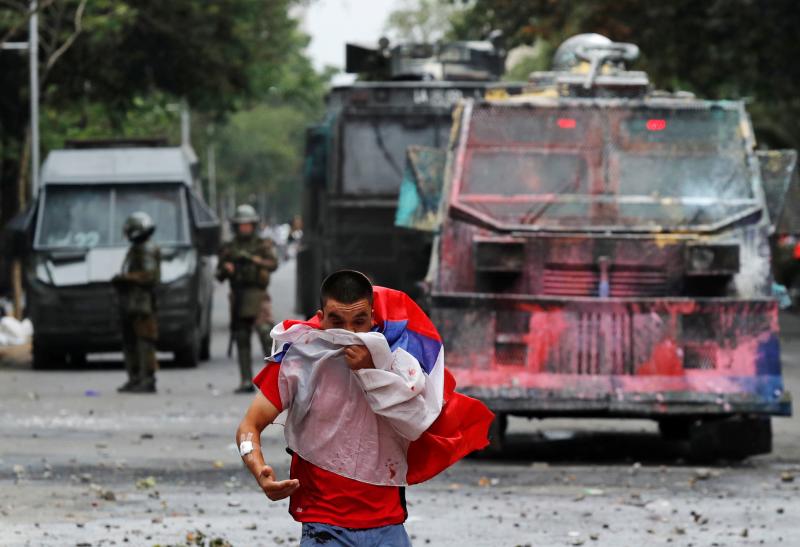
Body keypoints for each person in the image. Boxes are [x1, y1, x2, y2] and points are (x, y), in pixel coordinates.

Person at [236, 270, 494, 546]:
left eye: (358, 322)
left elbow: (418, 421)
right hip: (323, 524)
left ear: (372, 319)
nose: (349, 334)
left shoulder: (399, 364)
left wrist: (372, 372)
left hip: (387, 524)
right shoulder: (298, 362)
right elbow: (249, 426)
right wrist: (259, 469)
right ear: (320, 319)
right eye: (337, 321)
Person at [216, 204, 279, 393]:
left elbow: (273, 264)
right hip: (238, 295)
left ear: (253, 225)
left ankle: (274, 379)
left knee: (266, 334)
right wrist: (227, 269)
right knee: (241, 337)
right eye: (241, 225)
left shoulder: (262, 244)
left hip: (258, 294)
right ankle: (245, 380)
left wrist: (253, 260)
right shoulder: (229, 247)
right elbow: (219, 275)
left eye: (248, 224)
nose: (245, 228)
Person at [112, 211, 161, 393]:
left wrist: (126, 278)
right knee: (131, 341)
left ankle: (146, 378)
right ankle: (135, 377)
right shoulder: (138, 248)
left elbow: (148, 276)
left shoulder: (146, 249)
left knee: (143, 342)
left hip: (142, 304)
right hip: (133, 302)